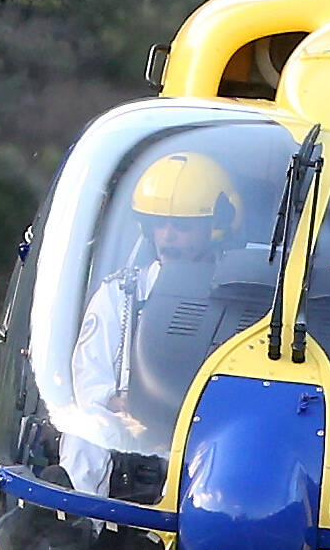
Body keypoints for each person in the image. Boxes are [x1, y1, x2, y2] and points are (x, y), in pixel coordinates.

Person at [69, 150, 239, 444]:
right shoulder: (120, 293)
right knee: (86, 436)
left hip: (211, 433)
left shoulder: (240, 295)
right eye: (160, 224)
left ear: (215, 227)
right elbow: (90, 379)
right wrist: (114, 402)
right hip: (132, 436)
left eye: (182, 226)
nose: (167, 236)